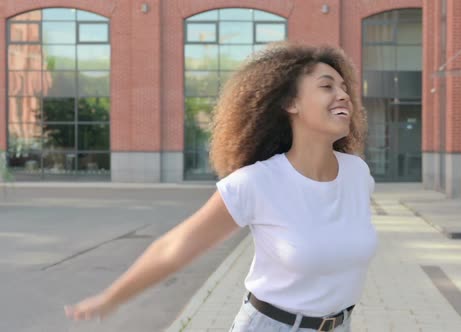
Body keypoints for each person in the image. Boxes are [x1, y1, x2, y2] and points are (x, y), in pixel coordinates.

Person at [65, 42, 378, 332]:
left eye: (343, 87)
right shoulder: (257, 183)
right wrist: (111, 298)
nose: (343, 94)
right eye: (327, 86)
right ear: (290, 103)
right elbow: (175, 247)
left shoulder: (357, 174)